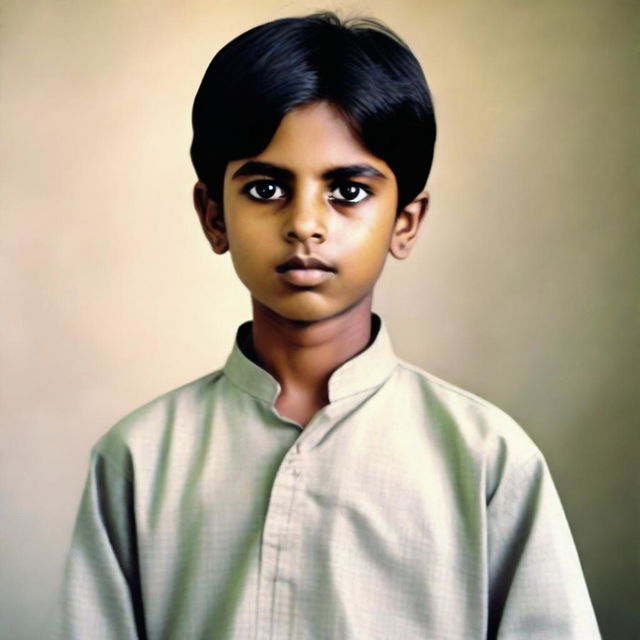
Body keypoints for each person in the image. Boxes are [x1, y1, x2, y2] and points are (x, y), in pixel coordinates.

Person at [51, 12, 600, 639]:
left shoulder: (487, 461)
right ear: (213, 216)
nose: (305, 224)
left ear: (406, 221)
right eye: (264, 189)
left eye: (348, 191)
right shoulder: (140, 460)